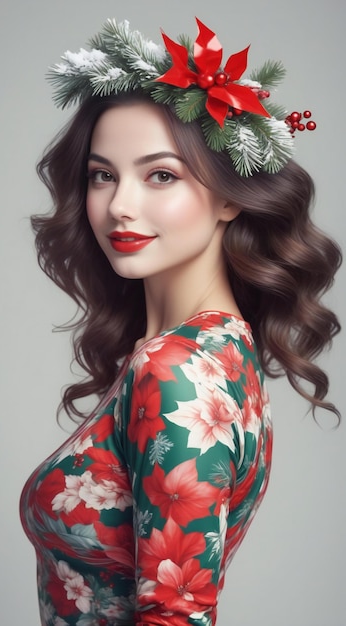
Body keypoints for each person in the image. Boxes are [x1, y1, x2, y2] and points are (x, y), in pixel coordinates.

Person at [20, 18, 341, 626]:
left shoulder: (178, 372)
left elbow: (177, 616)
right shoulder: (217, 352)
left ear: (229, 196)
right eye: (102, 174)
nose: (119, 205)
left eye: (160, 175)